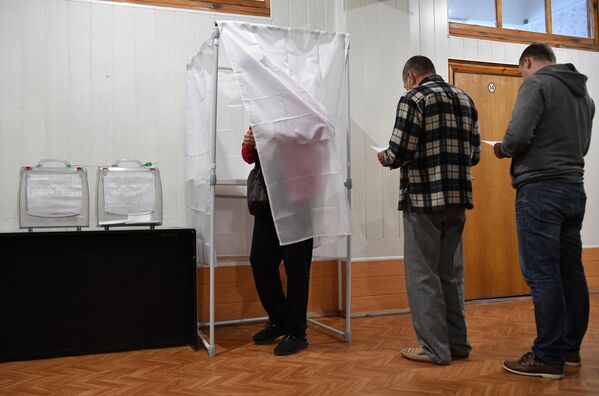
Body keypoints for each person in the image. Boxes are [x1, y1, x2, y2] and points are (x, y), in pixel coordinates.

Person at [494, 43, 594, 379]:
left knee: (542, 274)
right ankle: (569, 350)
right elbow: (583, 146)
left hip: (539, 190)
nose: (522, 75)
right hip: (573, 188)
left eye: (521, 70)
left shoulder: (536, 84)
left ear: (527, 62)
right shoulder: (584, 96)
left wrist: (501, 149)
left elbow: (518, 136)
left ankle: (548, 357)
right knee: (570, 271)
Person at [377, 56, 481, 365]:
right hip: (457, 200)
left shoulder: (413, 98)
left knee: (422, 275)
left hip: (423, 199)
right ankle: (458, 344)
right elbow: (474, 155)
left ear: (410, 76)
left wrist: (385, 157)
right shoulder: (466, 98)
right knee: (450, 274)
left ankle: (435, 349)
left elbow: (399, 151)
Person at [241, 127, 314, 356]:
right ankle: (280, 320)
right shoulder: (262, 111)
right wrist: (250, 144)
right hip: (269, 199)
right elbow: (248, 157)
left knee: (297, 268)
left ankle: (297, 331)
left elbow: (313, 148)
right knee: (260, 261)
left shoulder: (303, 112)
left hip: (297, 199)